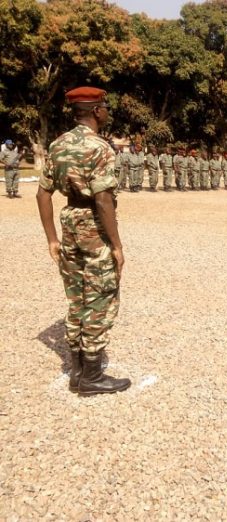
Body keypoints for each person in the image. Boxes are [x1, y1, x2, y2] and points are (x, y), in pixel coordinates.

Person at [35, 86, 130, 396]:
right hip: (92, 224)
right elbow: (103, 200)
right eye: (105, 107)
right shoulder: (100, 148)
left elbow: (43, 193)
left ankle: (76, 370)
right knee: (101, 295)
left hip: (69, 222)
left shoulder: (58, 145)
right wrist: (115, 244)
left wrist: (52, 238)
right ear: (96, 111)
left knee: (76, 296)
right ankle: (91, 374)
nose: (107, 112)